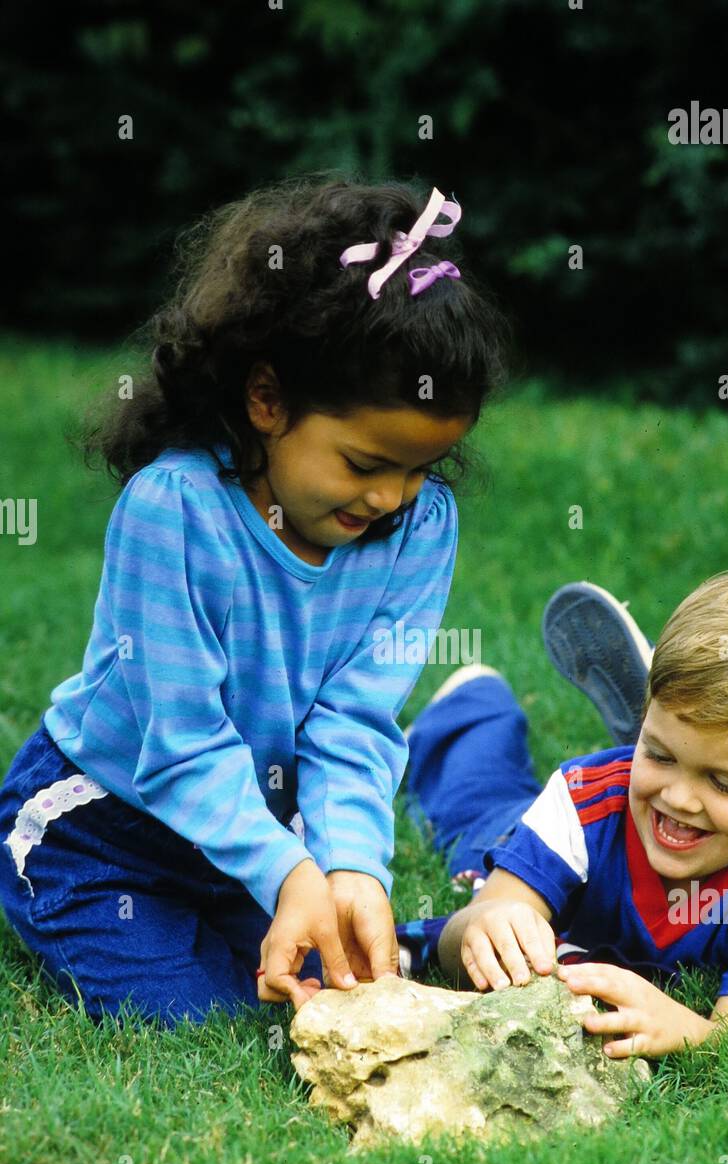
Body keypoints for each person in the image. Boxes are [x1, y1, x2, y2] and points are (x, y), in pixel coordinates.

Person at [0, 175, 514, 1026]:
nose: (392, 498)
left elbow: (352, 720)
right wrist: (288, 874)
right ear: (268, 399)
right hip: (102, 831)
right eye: (363, 463)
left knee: (334, 980)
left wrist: (348, 869)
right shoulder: (177, 511)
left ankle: (430, 919)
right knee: (207, 1015)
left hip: (249, 839)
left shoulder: (419, 526)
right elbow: (181, 743)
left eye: (419, 468)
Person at [397, 570, 728, 1057]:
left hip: (626, 812)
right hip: (571, 823)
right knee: (478, 802)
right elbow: (463, 937)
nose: (679, 798)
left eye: (723, 782)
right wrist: (488, 923)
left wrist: (683, 1030)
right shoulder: (578, 804)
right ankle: (470, 706)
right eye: (659, 754)